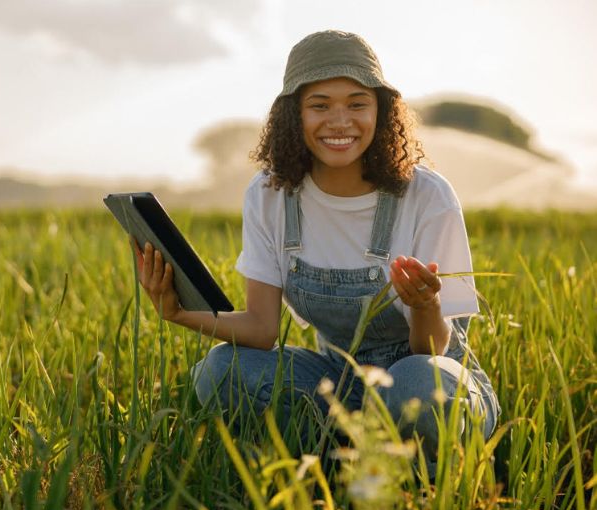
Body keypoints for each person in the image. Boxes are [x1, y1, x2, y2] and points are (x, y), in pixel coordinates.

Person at [133, 30, 499, 471]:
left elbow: (433, 347)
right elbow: (261, 328)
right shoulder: (270, 196)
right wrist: (177, 312)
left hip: (432, 380)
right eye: (320, 105)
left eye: (357, 103)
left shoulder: (426, 196)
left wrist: (426, 304)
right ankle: (340, 462)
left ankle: (399, 468)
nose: (340, 121)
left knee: (416, 383)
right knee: (221, 370)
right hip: (339, 385)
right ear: (294, 116)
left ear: (381, 112)